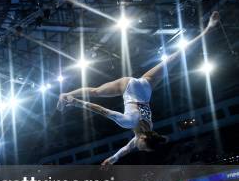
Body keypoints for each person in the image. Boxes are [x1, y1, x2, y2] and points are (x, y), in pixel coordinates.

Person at [57, 11, 220, 165]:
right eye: (143, 148)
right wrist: (76, 102)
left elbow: (128, 148)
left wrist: (114, 158)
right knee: (95, 92)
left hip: (146, 86)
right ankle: (66, 95)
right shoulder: (128, 123)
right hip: (128, 86)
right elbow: (101, 110)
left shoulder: (149, 129)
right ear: (143, 139)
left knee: (175, 58)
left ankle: (208, 30)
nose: (140, 149)